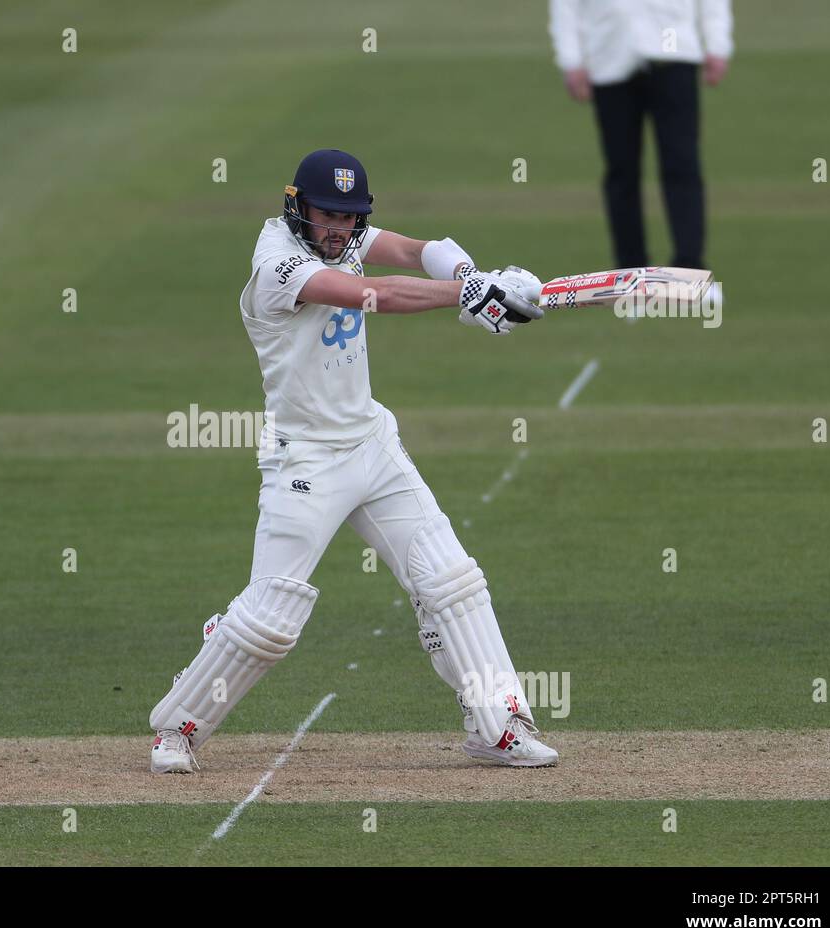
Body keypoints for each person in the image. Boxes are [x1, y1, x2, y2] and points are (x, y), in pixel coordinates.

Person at [148, 148, 559, 774]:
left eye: (349, 217)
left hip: (373, 446)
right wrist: (469, 294)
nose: (339, 230)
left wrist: (481, 277)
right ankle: (176, 727)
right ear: (296, 209)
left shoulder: (347, 236)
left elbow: (423, 249)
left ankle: (497, 725)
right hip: (305, 460)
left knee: (452, 582)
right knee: (271, 620)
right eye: (325, 216)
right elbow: (376, 294)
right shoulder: (278, 265)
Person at [549, 0, 734, 269]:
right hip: (610, 55)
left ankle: (690, 268)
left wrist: (717, 44)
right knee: (621, 171)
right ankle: (629, 274)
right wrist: (571, 59)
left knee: (682, 164)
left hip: (674, 53)